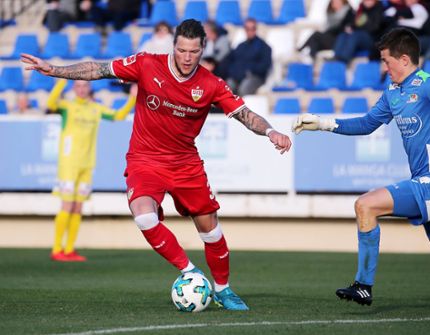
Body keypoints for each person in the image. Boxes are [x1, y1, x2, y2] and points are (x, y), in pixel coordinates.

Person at [21, 19, 291, 309]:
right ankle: (190, 272)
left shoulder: (211, 84)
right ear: (173, 46)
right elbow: (98, 69)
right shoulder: (147, 64)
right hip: (145, 158)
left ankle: (223, 289)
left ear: (203, 50)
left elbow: (245, 114)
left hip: (185, 163)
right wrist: (55, 70)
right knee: (144, 216)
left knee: (210, 231)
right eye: (182, 50)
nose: (187, 57)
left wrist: (270, 131)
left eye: (194, 52)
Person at [291, 28, 430, 315]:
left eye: (386, 61)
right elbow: (367, 124)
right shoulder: (393, 94)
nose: (384, 68)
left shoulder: (429, 85)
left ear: (404, 59)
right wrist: (323, 123)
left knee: (365, 205)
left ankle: (363, 285)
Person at [46, 79, 136, 262]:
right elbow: (50, 103)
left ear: (89, 88)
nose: (81, 89)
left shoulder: (96, 108)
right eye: (77, 86)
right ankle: (57, 249)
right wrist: (62, 80)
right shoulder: (67, 106)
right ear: (74, 88)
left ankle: (69, 250)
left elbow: (118, 116)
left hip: (87, 164)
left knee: (78, 207)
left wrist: (133, 99)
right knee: (67, 205)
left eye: (84, 86)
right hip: (69, 164)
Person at [226, 18, 272, 96]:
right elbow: (231, 62)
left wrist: (249, 71)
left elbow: (264, 66)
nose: (250, 31)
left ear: (256, 29)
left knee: (244, 88)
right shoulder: (240, 46)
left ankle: (241, 108)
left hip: (255, 77)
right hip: (238, 77)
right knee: (227, 87)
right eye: (247, 28)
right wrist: (234, 73)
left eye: (252, 28)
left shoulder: (264, 47)